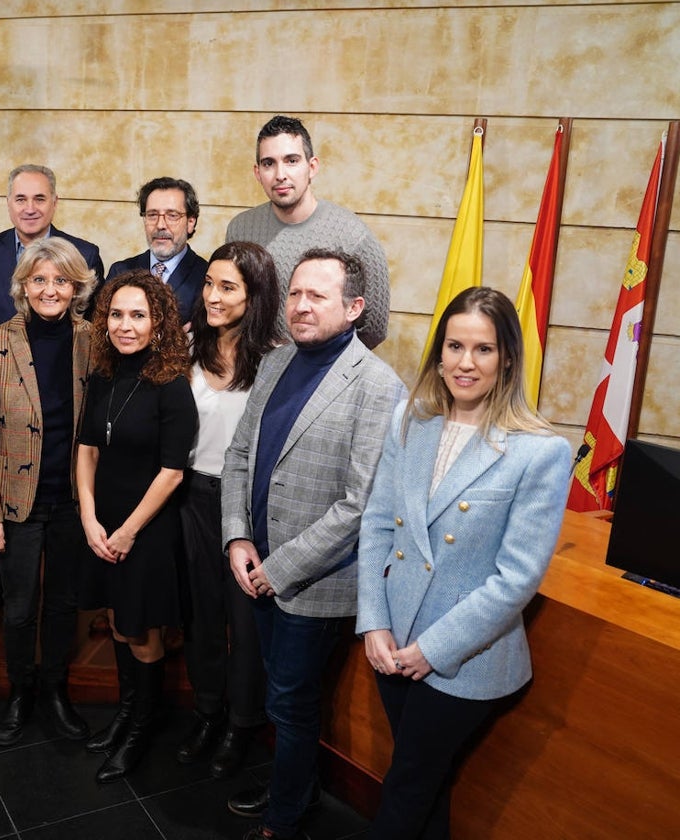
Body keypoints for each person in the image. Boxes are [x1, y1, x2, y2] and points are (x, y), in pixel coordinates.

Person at [357, 287, 571, 840]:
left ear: (506, 359)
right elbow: (378, 524)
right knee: (425, 788)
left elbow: (516, 579)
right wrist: (373, 623)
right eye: (455, 346)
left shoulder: (539, 451)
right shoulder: (412, 419)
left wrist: (433, 650)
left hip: (464, 658)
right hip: (393, 641)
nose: (465, 363)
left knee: (407, 787)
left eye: (483, 349)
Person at [221, 248, 404, 839]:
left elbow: (359, 505)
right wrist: (237, 536)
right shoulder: (275, 364)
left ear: (353, 307)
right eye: (295, 294)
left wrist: (280, 567)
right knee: (281, 701)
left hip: (315, 584)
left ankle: (286, 817)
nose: (299, 306)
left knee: (292, 706)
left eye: (316, 296)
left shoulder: (378, 386)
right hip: (256, 567)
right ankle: (291, 788)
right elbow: (239, 455)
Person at [0, 238, 97, 746]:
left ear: (76, 287)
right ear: (23, 286)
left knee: (64, 604)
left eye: (60, 280)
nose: (50, 289)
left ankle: (56, 691)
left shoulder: (93, 341)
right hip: (15, 502)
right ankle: (20, 691)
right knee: (18, 606)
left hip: (72, 500)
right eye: (39, 279)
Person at [76, 271, 197, 783]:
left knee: (142, 630)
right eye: (117, 315)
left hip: (144, 529)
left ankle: (142, 728)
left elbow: (173, 472)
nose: (126, 326)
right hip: (101, 523)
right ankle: (126, 715)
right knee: (118, 623)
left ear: (159, 323)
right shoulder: (102, 374)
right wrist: (88, 515)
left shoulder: (172, 385)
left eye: (138, 316)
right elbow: (86, 450)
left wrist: (126, 531)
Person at [174, 242, 281, 779]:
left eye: (228, 287)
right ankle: (208, 712)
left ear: (255, 295)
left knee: (246, 621)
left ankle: (243, 724)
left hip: (248, 506)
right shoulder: (188, 345)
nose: (212, 296)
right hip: (190, 497)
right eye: (209, 284)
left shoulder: (279, 358)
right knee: (202, 617)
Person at [225, 115, 391, 349]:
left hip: (321, 375)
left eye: (291, 160)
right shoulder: (240, 229)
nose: (280, 174)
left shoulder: (353, 236)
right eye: (268, 163)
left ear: (312, 167)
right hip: (252, 373)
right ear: (257, 172)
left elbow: (373, 328)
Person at [0, 164, 104, 330]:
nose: (30, 209)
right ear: (8, 203)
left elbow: (95, 327)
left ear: (54, 203)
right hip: (1, 354)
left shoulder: (85, 255)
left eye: (39, 199)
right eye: (21, 199)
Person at [108, 177, 208, 325]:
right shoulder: (120, 271)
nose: (160, 225)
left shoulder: (206, 277)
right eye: (152, 215)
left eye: (172, 215)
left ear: (190, 223)